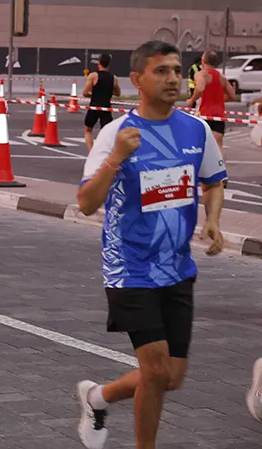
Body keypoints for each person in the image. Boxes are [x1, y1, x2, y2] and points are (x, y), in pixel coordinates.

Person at [74, 40, 225, 449]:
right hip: (130, 267)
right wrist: (115, 159)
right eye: (161, 71)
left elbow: (214, 181)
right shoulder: (115, 134)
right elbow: (87, 204)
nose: (173, 78)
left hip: (177, 267)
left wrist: (212, 219)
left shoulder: (197, 130)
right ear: (137, 80)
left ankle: (96, 397)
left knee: (170, 377)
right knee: (155, 369)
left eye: (176, 70)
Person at [186, 50, 236, 163]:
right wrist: (220, 99)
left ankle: (198, 173)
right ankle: (222, 175)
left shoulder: (201, 74)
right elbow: (232, 95)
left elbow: (200, 89)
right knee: (218, 146)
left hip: (203, 115)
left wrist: (191, 100)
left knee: (196, 146)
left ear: (203, 61)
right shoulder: (221, 77)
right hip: (218, 116)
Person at [83, 53, 121, 151]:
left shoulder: (93, 76)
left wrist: (93, 95)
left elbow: (84, 93)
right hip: (106, 107)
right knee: (105, 132)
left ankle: (92, 152)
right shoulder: (114, 78)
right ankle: (103, 152)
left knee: (88, 130)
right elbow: (118, 93)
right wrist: (108, 91)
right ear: (108, 64)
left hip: (94, 106)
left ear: (98, 63)